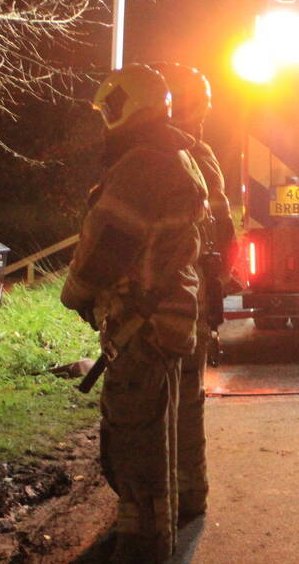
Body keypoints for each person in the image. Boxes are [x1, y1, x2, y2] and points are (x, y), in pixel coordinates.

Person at [61, 63, 207, 561]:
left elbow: (106, 246)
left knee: (136, 444)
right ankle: (155, 537)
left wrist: (75, 294)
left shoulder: (141, 165)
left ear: (127, 106)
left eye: (109, 108)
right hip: (165, 319)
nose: (105, 119)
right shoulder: (174, 156)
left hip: (141, 329)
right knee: (160, 434)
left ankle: (143, 549)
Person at [152, 63, 237, 524]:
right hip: (196, 301)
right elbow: (224, 233)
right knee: (188, 397)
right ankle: (190, 496)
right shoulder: (200, 154)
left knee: (155, 402)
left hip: (158, 303)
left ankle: (157, 506)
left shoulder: (156, 157)